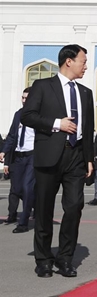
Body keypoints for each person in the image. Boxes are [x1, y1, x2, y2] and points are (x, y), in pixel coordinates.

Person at [21, 44, 94, 278]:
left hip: (76, 158)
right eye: (83, 60)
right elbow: (27, 115)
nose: (86, 65)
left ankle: (65, 258)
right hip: (50, 155)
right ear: (69, 61)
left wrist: (89, 158)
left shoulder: (85, 93)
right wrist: (57, 123)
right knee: (44, 209)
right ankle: (43, 259)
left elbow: (88, 128)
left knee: (74, 208)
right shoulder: (43, 86)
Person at [1, 88, 35, 233]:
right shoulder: (18, 115)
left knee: (27, 187)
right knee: (17, 188)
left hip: (33, 156)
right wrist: (4, 151)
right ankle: (37, 205)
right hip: (18, 156)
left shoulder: (38, 115)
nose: (24, 100)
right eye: (23, 97)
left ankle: (23, 222)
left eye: (27, 98)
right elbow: (12, 135)